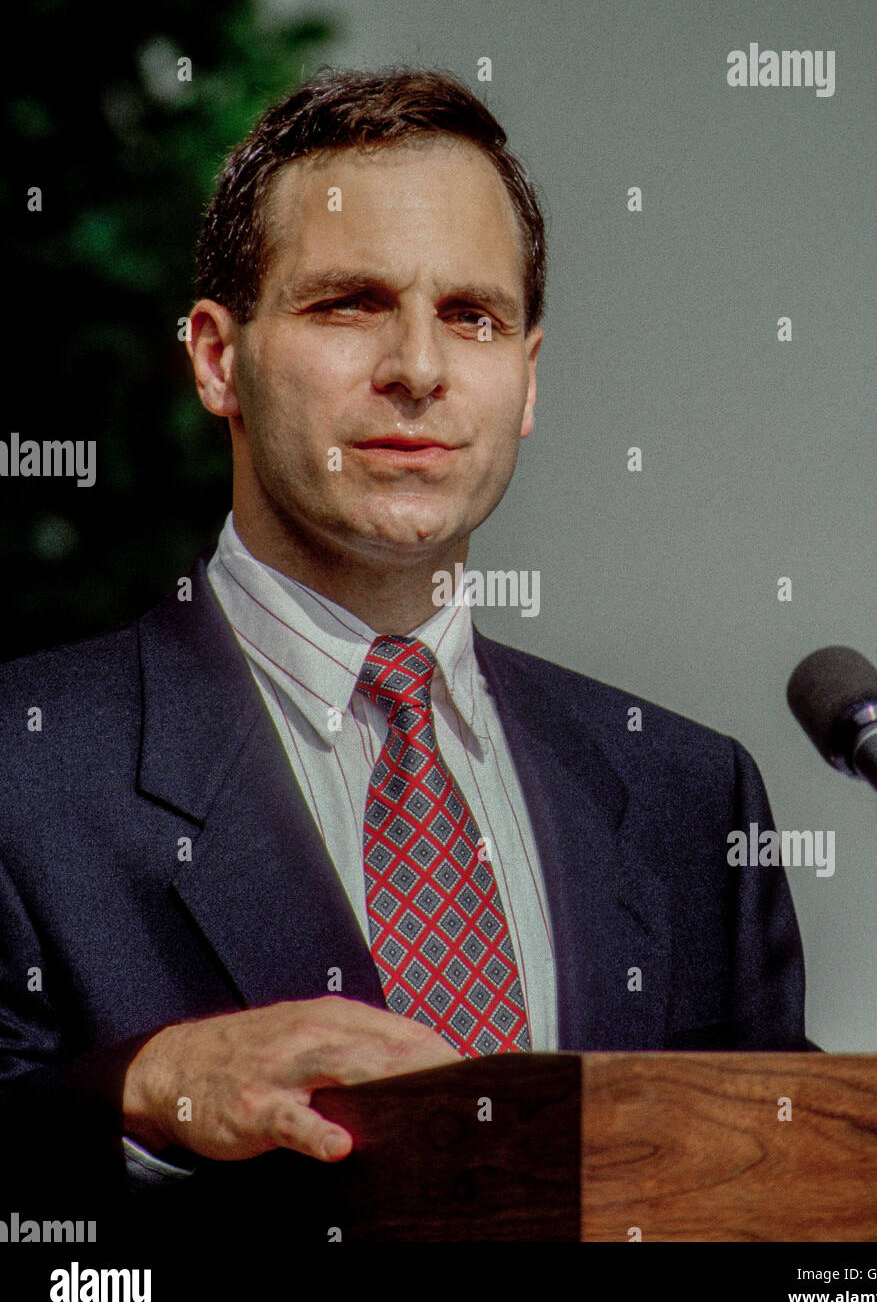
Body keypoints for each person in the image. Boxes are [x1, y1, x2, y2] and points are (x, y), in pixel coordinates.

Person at [0, 68, 806, 1209]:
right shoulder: (23, 769)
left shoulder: (686, 794)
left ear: (524, 380)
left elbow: (777, 1194)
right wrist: (149, 1086)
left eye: (472, 318)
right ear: (216, 358)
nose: (418, 370)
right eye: (349, 304)